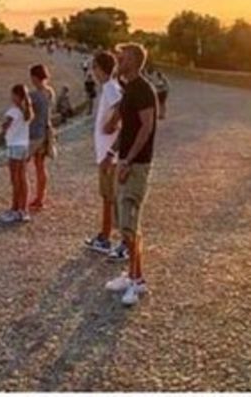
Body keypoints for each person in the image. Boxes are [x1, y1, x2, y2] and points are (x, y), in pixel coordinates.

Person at [103, 43, 160, 307]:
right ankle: (132, 275)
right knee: (123, 222)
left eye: (122, 57)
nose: (118, 60)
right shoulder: (129, 89)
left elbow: (147, 127)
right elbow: (126, 127)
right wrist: (111, 153)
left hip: (136, 165)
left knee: (131, 224)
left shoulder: (144, 90)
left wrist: (128, 159)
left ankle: (138, 282)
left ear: (134, 60)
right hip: (125, 161)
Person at [84, 50, 124, 256]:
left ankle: (112, 239)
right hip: (107, 153)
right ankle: (106, 236)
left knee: (112, 198)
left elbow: (122, 108)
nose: (93, 72)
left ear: (100, 69)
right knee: (109, 197)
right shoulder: (111, 87)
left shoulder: (110, 87)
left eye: (95, 67)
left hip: (109, 154)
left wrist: (112, 124)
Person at [1, 83, 33, 223]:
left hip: (14, 146)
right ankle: (23, 209)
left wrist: (3, 130)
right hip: (24, 145)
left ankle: (14, 208)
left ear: (16, 96)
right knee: (23, 178)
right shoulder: (27, 111)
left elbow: (5, 126)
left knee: (15, 179)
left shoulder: (13, 111)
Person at [26, 63, 56, 212]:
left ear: (35, 77)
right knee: (40, 167)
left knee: (24, 165)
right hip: (46, 131)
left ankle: (31, 197)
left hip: (35, 133)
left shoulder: (34, 96)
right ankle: (40, 197)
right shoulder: (50, 92)